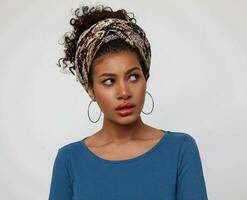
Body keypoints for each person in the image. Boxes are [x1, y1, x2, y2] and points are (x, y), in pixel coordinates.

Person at [49, 4, 208, 200]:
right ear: (90, 90)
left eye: (133, 77)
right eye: (109, 81)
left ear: (145, 78)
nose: (124, 92)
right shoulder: (69, 160)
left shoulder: (180, 149)